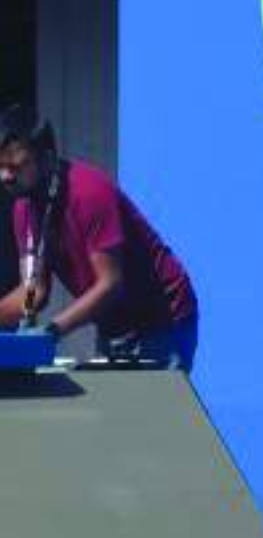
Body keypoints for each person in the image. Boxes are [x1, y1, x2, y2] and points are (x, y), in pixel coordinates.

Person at [0, 104, 198, 370]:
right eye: (0, 167)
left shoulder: (89, 192)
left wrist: (53, 330)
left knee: (154, 409)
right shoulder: (24, 208)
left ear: (46, 157)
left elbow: (110, 283)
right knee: (117, 409)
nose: (4, 177)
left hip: (164, 320)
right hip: (115, 325)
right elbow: (33, 292)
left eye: (14, 166)